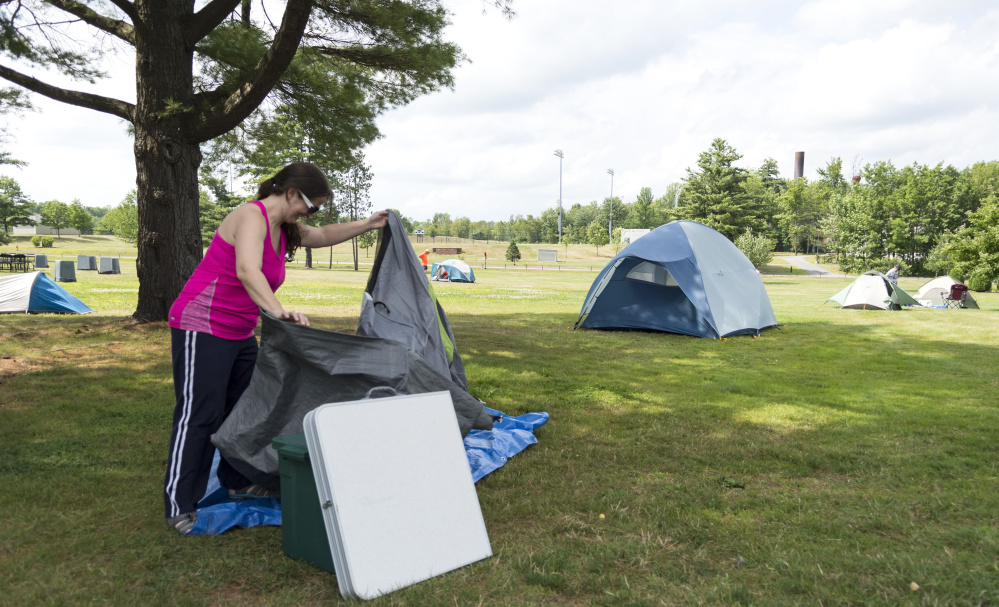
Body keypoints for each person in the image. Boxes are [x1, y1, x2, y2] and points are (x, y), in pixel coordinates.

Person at [163, 162, 388, 535]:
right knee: (199, 415)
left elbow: (323, 234)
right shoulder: (250, 216)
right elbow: (247, 270)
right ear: (290, 193)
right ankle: (179, 504)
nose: (309, 214)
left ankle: (235, 481)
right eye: (310, 205)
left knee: (245, 410)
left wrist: (367, 224)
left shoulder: (285, 230)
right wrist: (278, 310)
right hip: (200, 324)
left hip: (239, 332)